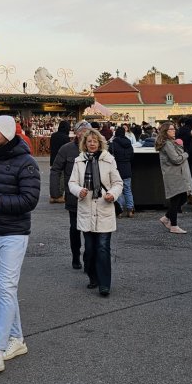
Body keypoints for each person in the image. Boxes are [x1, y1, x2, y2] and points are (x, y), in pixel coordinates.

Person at [0, 115, 40, 375]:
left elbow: (29, 200)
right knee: (4, 289)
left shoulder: (27, 163)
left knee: (6, 289)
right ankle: (17, 339)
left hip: (14, 233)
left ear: (6, 133)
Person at [69, 130, 121, 296]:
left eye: (95, 141)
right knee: (90, 248)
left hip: (104, 207)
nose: (92, 144)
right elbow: (72, 183)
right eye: (89, 141)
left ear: (100, 143)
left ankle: (104, 283)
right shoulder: (79, 162)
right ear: (84, 143)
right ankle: (93, 275)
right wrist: (79, 191)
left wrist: (112, 194)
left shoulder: (109, 160)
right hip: (86, 208)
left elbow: (118, 182)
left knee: (103, 247)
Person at [50, 121, 90, 269]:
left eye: (87, 132)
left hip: (92, 198)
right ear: (76, 133)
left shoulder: (94, 148)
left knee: (89, 230)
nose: (84, 135)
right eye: (82, 132)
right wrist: (55, 192)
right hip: (73, 196)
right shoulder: (66, 149)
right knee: (75, 228)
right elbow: (56, 170)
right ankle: (75, 256)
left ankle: (88, 258)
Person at [155, 123, 190, 235]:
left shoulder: (170, 142)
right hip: (173, 174)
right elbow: (175, 159)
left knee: (182, 197)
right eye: (171, 129)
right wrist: (185, 154)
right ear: (166, 131)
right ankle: (173, 225)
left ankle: (166, 218)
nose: (174, 131)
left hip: (175, 174)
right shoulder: (167, 144)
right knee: (176, 200)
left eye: (174, 129)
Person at [109, 125, 136, 216]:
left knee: (118, 190)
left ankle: (119, 210)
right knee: (128, 189)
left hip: (117, 169)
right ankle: (130, 209)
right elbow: (132, 157)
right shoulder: (129, 144)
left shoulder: (113, 144)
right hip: (127, 168)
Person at [47, 120, 72, 203]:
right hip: (62, 160)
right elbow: (68, 150)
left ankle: (53, 195)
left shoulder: (53, 135)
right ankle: (59, 195)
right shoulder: (65, 137)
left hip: (53, 159)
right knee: (61, 178)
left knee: (54, 177)